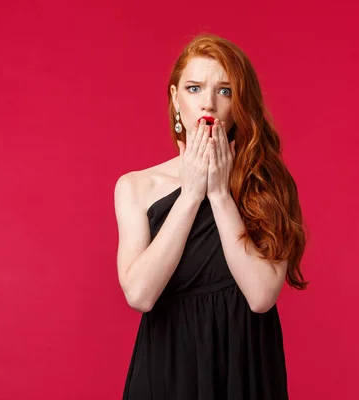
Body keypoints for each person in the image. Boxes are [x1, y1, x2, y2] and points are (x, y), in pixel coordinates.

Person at [113, 33, 308, 400]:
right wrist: (191, 194)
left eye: (225, 90)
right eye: (194, 88)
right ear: (175, 100)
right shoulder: (135, 187)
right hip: (167, 370)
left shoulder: (270, 184)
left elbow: (262, 295)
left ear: (240, 102)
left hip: (244, 368)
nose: (208, 103)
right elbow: (140, 294)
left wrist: (219, 194)